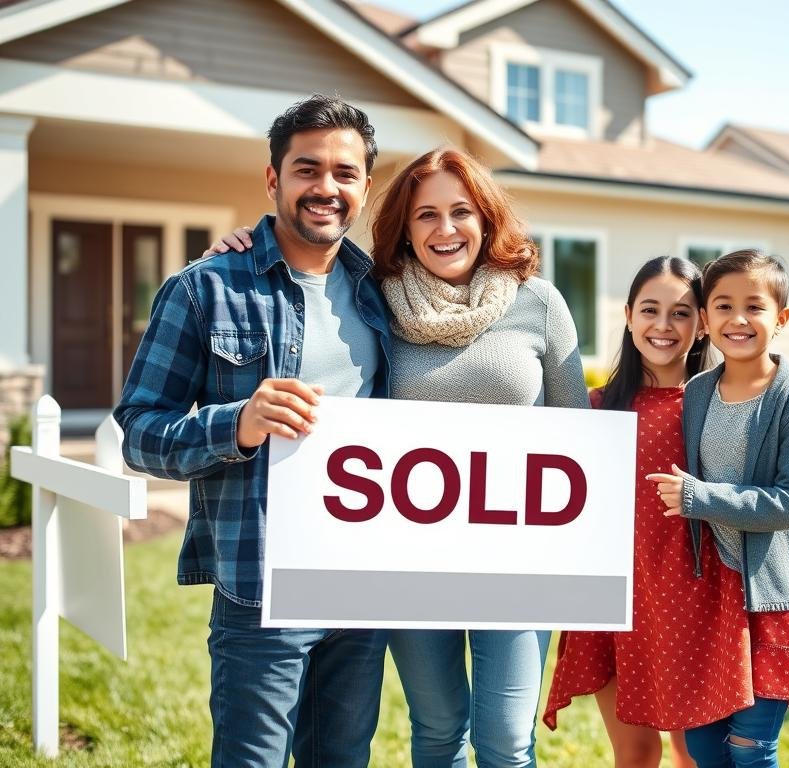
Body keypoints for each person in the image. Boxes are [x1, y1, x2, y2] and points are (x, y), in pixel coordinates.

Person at [207, 146, 590, 768]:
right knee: (438, 730)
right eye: (426, 215)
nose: (445, 230)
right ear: (404, 229)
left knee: (506, 739)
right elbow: (304, 267)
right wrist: (244, 249)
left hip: (517, 557)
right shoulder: (374, 296)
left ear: (487, 218)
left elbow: (575, 431)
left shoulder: (538, 303)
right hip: (411, 556)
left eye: (461, 211)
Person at [114, 94, 392, 768]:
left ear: (365, 187)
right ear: (273, 180)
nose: (326, 187)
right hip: (263, 582)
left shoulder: (383, 291)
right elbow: (139, 432)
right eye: (307, 169)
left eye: (344, 173)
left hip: (363, 581)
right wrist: (236, 424)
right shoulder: (203, 289)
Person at [542, 256, 755, 768]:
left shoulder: (719, 406)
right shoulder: (592, 409)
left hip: (694, 596)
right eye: (650, 310)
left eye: (680, 313)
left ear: (702, 324)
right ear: (629, 315)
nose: (663, 326)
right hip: (614, 596)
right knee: (634, 750)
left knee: (693, 750)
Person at [650, 249, 789, 768]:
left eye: (754, 306)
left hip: (769, 600)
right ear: (706, 320)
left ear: (780, 318)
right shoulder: (697, 393)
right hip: (708, 602)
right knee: (704, 746)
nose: (738, 319)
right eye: (724, 306)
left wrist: (699, 497)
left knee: (750, 747)